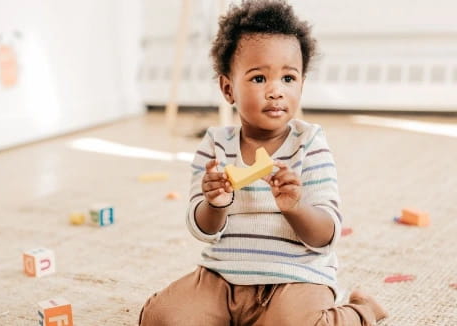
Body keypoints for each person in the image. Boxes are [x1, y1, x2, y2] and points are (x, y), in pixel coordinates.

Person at [139, 0, 388, 325]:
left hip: (296, 278)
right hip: (222, 278)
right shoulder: (215, 145)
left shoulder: (309, 144)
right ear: (228, 88)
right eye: (258, 79)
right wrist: (215, 203)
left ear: (301, 84)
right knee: (160, 318)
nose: (275, 91)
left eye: (288, 78)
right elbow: (202, 229)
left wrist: (295, 206)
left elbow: (326, 234)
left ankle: (363, 310)